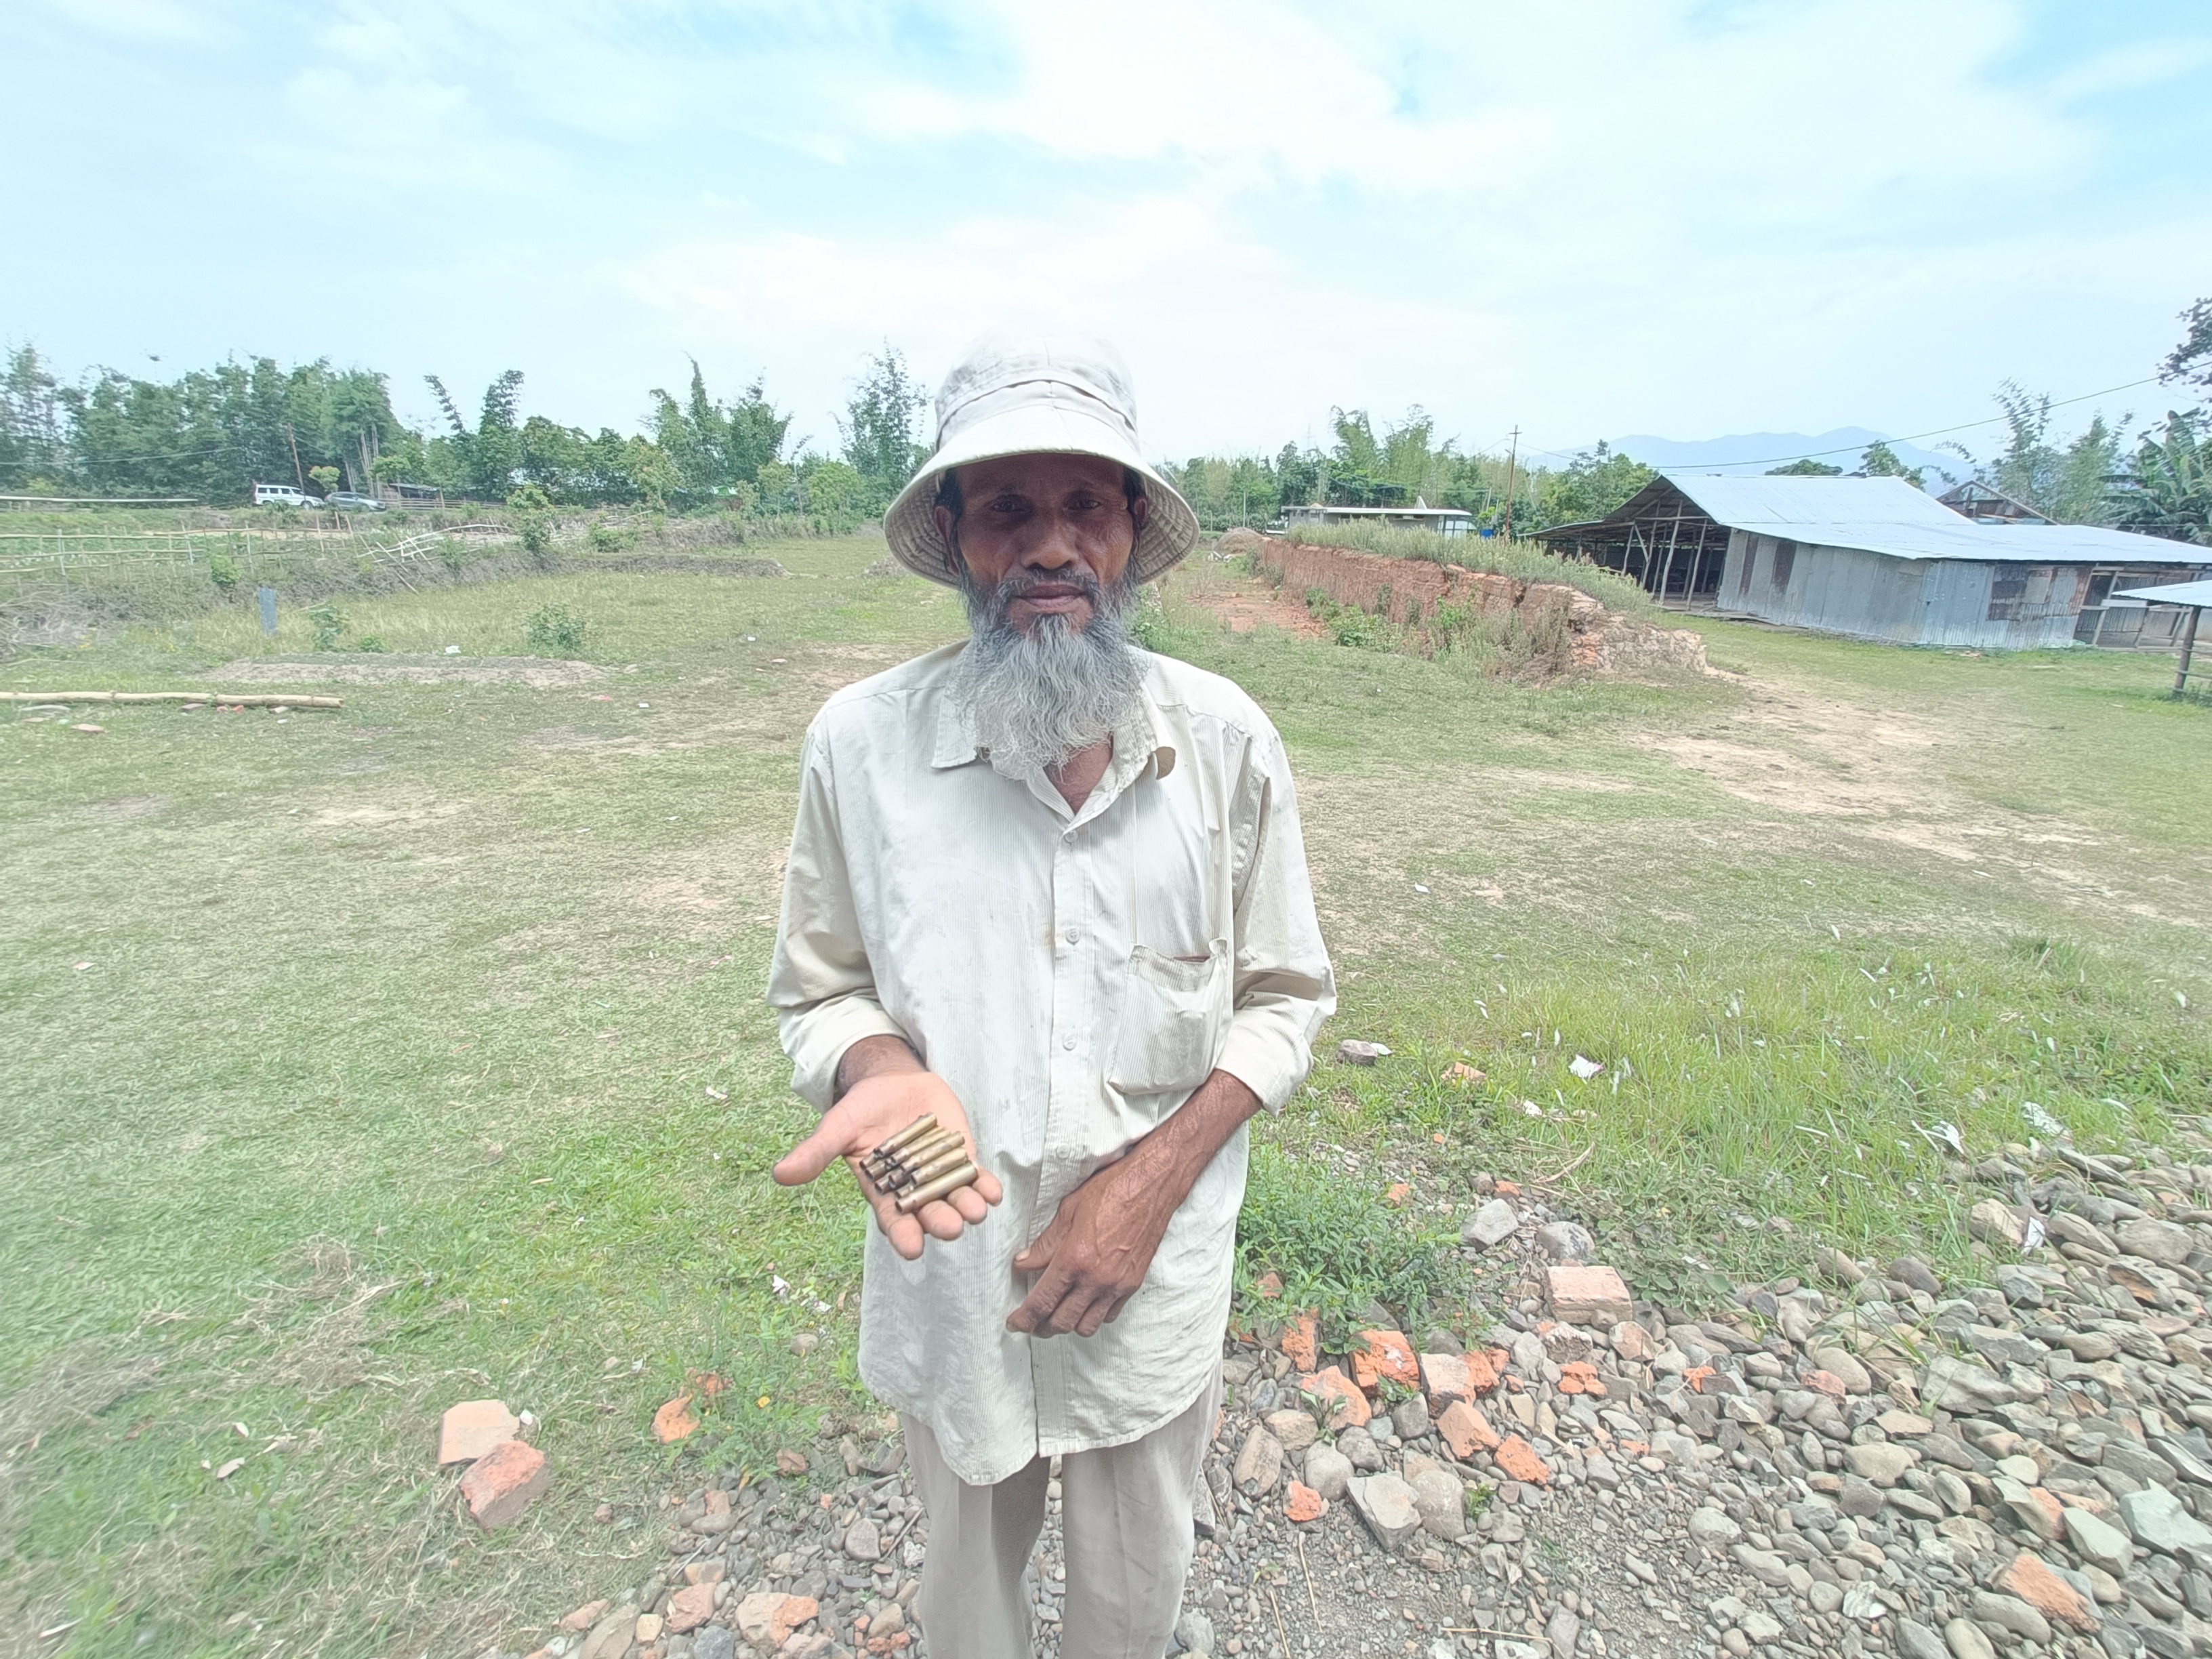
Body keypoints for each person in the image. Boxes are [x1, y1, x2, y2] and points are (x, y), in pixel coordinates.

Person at [767, 335, 1334, 1659]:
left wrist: (1147, 1189)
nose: (1052, 547)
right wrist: (879, 1073)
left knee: (1135, 1602)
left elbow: (1288, 995)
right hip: (951, 1275)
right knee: (968, 1600)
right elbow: (819, 988)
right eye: (1009, 510)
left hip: (1161, 1282)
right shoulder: (862, 745)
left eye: (1086, 505)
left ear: (1131, 531)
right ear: (959, 538)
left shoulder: (1225, 741)